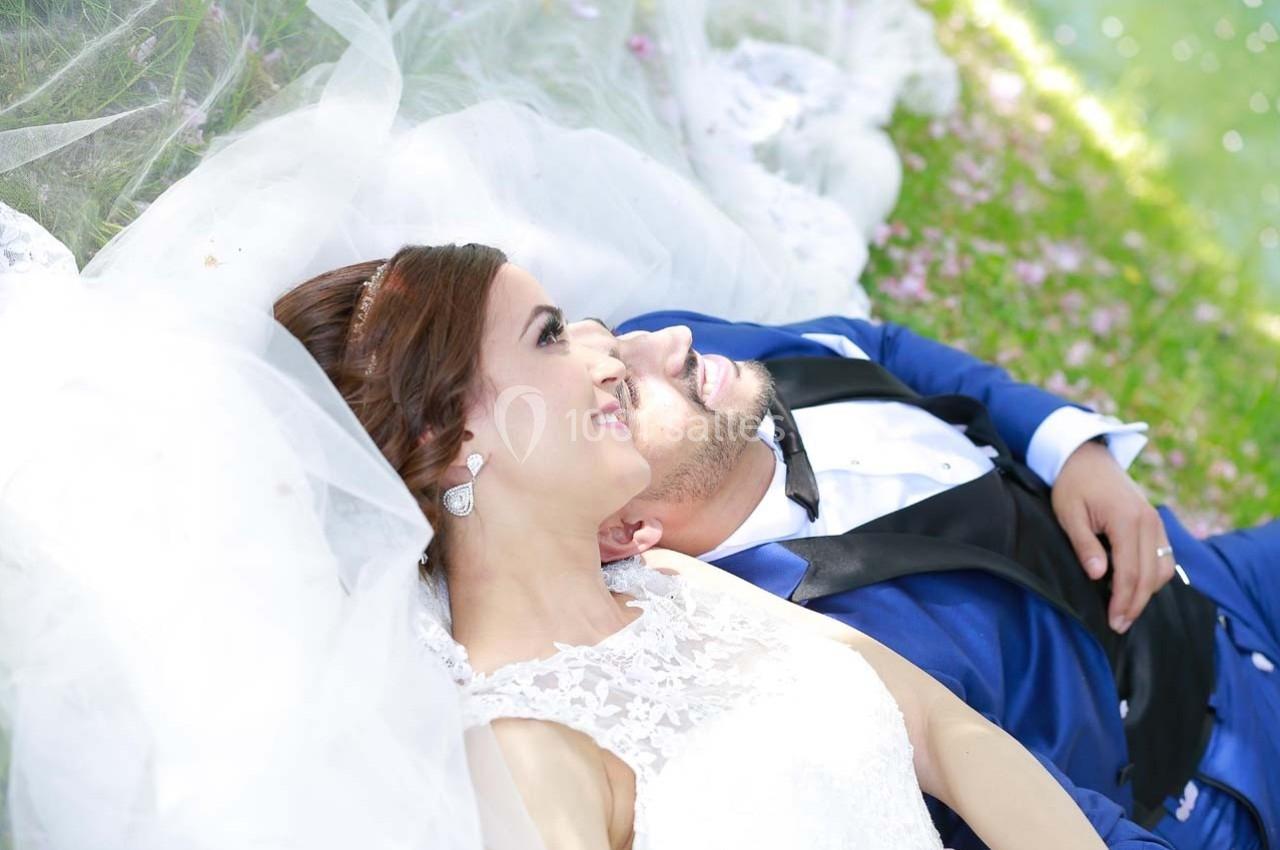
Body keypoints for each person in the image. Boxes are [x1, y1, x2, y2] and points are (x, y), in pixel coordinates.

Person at [274, 242, 1115, 850]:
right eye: (549, 336)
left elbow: (942, 733)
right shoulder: (524, 748)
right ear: (447, 435)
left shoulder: (675, 582)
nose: (607, 354)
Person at [582, 309, 1278, 850]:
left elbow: (873, 346)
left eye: (616, 339)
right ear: (626, 532)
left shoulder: (714, 370)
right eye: (630, 393)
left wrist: (1066, 449)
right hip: (1209, 784)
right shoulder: (811, 663)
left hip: (1209, 579)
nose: (671, 338)